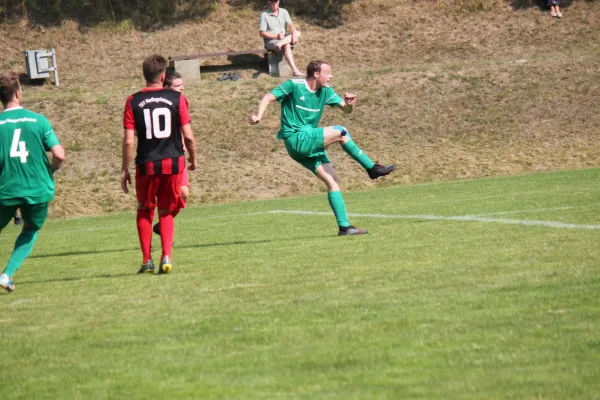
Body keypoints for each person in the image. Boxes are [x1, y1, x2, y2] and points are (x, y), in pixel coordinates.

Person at [249, 60, 396, 236]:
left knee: (333, 181)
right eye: (328, 73)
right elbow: (268, 97)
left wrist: (349, 104)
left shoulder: (325, 90)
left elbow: (346, 110)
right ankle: (372, 168)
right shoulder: (294, 85)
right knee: (341, 131)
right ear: (316, 74)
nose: (331, 76)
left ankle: (344, 227)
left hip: (307, 143)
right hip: (296, 139)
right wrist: (259, 116)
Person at [121, 55, 198, 275]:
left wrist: (124, 169)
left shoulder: (133, 100)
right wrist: (193, 159)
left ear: (145, 75)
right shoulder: (177, 99)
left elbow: (128, 140)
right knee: (166, 210)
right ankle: (166, 256)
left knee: (145, 210)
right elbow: (189, 137)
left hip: (146, 164)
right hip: (172, 162)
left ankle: (147, 260)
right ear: (163, 76)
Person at [0, 71, 66, 292]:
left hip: (6, 190)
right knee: (30, 229)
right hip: (37, 189)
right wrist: (50, 171)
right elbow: (59, 155)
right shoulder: (38, 120)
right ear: (18, 92)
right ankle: (7, 274)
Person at [152, 71, 190, 238]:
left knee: (183, 194)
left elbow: (184, 125)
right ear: (166, 87)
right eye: (178, 85)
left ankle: (162, 226)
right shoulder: (152, 103)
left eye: (182, 84)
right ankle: (167, 237)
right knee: (163, 197)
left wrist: (184, 142)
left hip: (177, 155)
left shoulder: (182, 101)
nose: (182, 88)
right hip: (157, 156)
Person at [259, 0, 304, 77]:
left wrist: (293, 34)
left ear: (279, 2)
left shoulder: (284, 11)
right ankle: (295, 70)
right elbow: (261, 33)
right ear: (269, 2)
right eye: (272, 1)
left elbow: (291, 25)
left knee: (298, 32)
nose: (274, 3)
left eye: (275, 1)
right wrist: (277, 36)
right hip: (271, 41)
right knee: (287, 45)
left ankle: (282, 43)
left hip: (283, 38)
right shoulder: (264, 15)